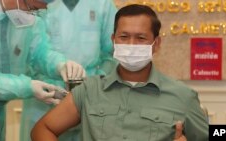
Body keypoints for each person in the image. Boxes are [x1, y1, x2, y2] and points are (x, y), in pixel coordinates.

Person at [31, 4, 209, 141]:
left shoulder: (182, 95)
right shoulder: (89, 90)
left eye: (141, 38)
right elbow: (42, 129)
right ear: (113, 40)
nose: (131, 45)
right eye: (124, 37)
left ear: (156, 44)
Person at [0, 0, 85, 141]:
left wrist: (60, 65)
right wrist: (28, 87)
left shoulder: (26, 16)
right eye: (32, 7)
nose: (32, 14)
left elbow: (39, 53)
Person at [20, 0, 117, 141]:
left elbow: (113, 53)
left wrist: (98, 80)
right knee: (41, 132)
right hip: (44, 99)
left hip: (90, 100)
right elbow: (29, 52)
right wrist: (49, 80)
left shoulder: (102, 4)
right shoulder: (39, 2)